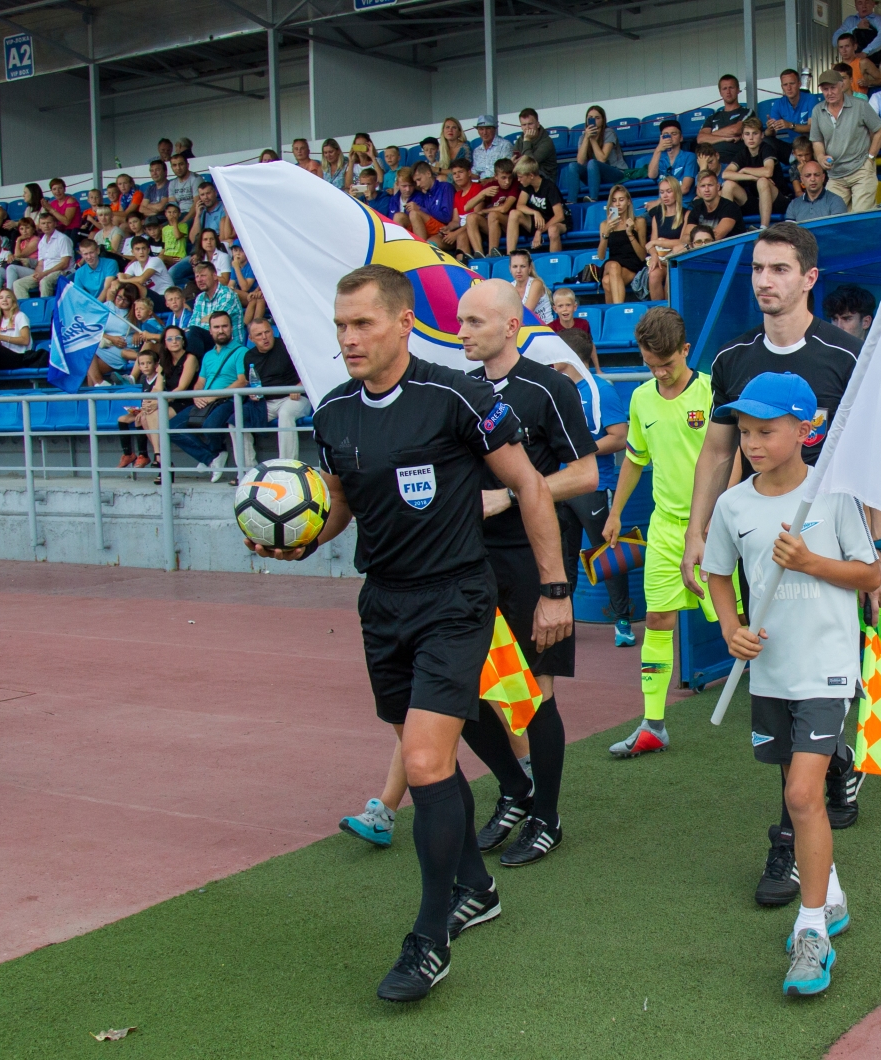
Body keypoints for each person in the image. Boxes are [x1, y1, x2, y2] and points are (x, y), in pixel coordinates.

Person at [254, 264, 569, 1002]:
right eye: (340, 326)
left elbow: (527, 484)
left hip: (457, 598)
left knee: (425, 763)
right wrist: (297, 538)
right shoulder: (331, 413)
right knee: (429, 759)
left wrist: (554, 589)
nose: (348, 338)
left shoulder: (456, 394)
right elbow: (339, 507)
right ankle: (475, 885)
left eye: (362, 323)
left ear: (401, 324)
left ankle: (429, 940)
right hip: (383, 605)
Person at [683, 224, 881, 904]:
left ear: (809, 278)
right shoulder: (732, 358)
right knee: (779, 664)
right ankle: (827, 779)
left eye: (778, 269)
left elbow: (869, 462)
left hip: (836, 543)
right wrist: (697, 534)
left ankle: (793, 837)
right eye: (757, 269)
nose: (764, 280)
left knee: (822, 671)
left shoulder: (845, 355)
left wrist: (877, 550)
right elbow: (715, 454)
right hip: (759, 537)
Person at [701, 371, 880, 998]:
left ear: (806, 431)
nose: (751, 442)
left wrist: (809, 562)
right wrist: (732, 630)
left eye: (766, 431)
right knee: (791, 788)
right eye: (745, 431)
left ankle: (811, 934)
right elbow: (717, 573)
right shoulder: (734, 505)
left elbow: (870, 573)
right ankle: (829, 896)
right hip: (769, 670)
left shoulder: (832, 499)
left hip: (829, 667)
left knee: (804, 794)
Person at [458, 279, 598, 865]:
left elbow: (587, 474)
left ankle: (547, 817)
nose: (461, 332)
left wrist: (513, 496)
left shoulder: (548, 387)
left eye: (474, 323)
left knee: (535, 688)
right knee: (465, 688)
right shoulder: (459, 391)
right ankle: (516, 790)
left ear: (511, 327)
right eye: (460, 322)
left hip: (535, 556)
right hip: (470, 557)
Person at [603, 307, 721, 759]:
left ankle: (787, 710)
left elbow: (730, 458)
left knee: (739, 628)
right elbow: (634, 458)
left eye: (667, 364)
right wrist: (615, 514)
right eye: (651, 365)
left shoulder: (711, 391)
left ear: (685, 351)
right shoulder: (641, 399)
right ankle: (654, 724)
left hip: (711, 530)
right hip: (665, 530)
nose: (659, 372)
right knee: (658, 620)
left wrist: (716, 519)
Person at [551, 326, 635, 646]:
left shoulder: (600, 389)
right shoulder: (554, 389)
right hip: (561, 485)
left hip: (595, 485)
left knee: (609, 552)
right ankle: (562, 620)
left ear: (567, 356)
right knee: (562, 556)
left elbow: (619, 437)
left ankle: (622, 621)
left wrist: (579, 451)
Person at [169, 311, 249, 479]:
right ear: (210, 331)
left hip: (227, 400)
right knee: (172, 427)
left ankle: (214, 454)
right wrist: (197, 395)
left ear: (231, 328)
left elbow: (242, 381)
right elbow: (200, 381)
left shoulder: (241, 351)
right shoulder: (208, 355)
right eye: (216, 327)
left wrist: (213, 396)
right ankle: (212, 457)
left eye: (224, 326)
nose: (221, 330)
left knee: (209, 426)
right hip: (206, 400)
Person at [809, 69, 881, 213]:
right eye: (825, 89)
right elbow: (817, 140)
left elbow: (880, 130)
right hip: (835, 175)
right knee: (829, 218)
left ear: (841, 85)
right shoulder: (817, 111)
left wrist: (870, 158)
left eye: (833, 88)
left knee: (859, 217)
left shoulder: (860, 105)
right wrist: (820, 157)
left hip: (861, 171)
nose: (829, 92)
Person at [243, 318, 311, 461]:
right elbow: (251, 383)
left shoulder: (287, 346)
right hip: (265, 403)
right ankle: (247, 468)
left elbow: (310, 370)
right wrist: (251, 393)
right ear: (250, 338)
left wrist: (298, 386)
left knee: (285, 413)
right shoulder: (249, 356)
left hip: (293, 398)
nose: (264, 337)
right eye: (259, 334)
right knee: (237, 419)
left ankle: (287, 465)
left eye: (267, 332)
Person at [720, 119, 790, 230]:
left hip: (778, 200)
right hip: (757, 201)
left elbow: (768, 171)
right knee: (728, 185)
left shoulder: (767, 148)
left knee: (762, 181)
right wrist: (752, 177)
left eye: (755, 133)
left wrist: (745, 170)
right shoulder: (743, 153)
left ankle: (763, 228)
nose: (751, 138)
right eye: (747, 134)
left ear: (762, 135)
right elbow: (725, 174)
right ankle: (728, 230)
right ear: (742, 137)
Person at [561, 105, 628, 203]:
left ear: (603, 120)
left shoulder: (609, 133)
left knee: (592, 163)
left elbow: (602, 159)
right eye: (590, 118)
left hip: (615, 172)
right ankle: (571, 201)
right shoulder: (583, 137)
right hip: (594, 175)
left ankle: (593, 199)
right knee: (573, 166)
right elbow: (580, 161)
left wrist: (592, 139)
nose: (593, 120)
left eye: (597, 118)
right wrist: (587, 138)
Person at [116, 348, 168, 467]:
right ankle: (128, 454)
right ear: (138, 366)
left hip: (156, 410)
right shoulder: (144, 378)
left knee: (140, 420)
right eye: (142, 364)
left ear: (156, 364)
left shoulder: (160, 378)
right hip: (145, 409)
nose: (145, 366)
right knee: (122, 419)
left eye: (149, 363)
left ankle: (143, 455)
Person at [597, 184, 647, 304]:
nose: (618, 204)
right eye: (614, 201)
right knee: (614, 266)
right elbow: (601, 256)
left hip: (631, 265)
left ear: (628, 202)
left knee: (606, 281)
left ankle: (613, 316)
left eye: (621, 200)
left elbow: (642, 256)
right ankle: (619, 309)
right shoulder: (605, 225)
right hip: (612, 263)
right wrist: (606, 233)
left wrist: (630, 233)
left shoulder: (639, 222)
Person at [506, 158, 567, 254]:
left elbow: (559, 216)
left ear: (531, 175)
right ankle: (510, 255)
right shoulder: (527, 186)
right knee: (514, 213)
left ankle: (554, 263)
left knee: (553, 230)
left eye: (521, 177)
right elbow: (520, 205)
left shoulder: (549, 187)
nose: (518, 180)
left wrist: (539, 232)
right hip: (539, 222)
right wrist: (535, 212)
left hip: (556, 222)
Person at [644, 175, 687, 302]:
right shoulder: (657, 217)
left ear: (676, 192)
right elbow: (650, 246)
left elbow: (683, 242)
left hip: (676, 258)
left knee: (671, 275)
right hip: (660, 258)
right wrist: (654, 256)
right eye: (662, 192)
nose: (665, 196)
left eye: (669, 191)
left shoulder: (686, 214)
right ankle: (658, 313)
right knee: (653, 274)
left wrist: (659, 241)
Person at [697, 74, 754, 169]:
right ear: (720, 92)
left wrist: (711, 135)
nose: (728, 92)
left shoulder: (746, 112)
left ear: (738, 90)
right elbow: (701, 139)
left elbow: (735, 130)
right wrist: (725, 138)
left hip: (735, 161)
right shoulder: (712, 117)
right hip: (712, 161)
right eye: (724, 88)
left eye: (731, 88)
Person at [12, 212, 72, 299]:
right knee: (18, 284)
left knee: (44, 281)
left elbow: (64, 263)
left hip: (62, 272)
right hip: (45, 272)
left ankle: (46, 309)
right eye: (43, 223)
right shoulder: (42, 242)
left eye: (49, 223)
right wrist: (38, 274)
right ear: (39, 226)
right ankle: (27, 309)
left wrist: (44, 274)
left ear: (55, 224)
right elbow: (40, 264)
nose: (46, 226)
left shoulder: (63, 239)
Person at [396, 161, 455, 243]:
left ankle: (421, 248)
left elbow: (446, 217)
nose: (418, 184)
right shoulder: (425, 194)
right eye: (416, 182)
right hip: (428, 229)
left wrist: (420, 208)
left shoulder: (445, 187)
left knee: (414, 213)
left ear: (428, 174)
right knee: (398, 216)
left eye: (419, 179)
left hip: (444, 230)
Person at [765, 70, 817, 159]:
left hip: (809, 146)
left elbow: (812, 128)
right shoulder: (778, 104)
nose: (789, 88)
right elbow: (771, 134)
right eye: (785, 85)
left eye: (792, 83)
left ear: (799, 84)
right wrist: (770, 128)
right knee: (765, 141)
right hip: (792, 147)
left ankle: (796, 161)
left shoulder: (810, 99)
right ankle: (790, 162)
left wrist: (790, 125)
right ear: (782, 87)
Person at [681, 172, 743, 244]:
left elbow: (717, 236)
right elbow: (684, 238)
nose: (706, 189)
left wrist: (696, 240)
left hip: (730, 251)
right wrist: (697, 240)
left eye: (710, 185)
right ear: (698, 190)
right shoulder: (696, 210)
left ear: (718, 187)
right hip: (706, 250)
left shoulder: (730, 207)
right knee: (677, 249)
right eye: (703, 186)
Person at [645, 119, 699, 200]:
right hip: (664, 206)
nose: (670, 137)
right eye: (666, 135)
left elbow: (685, 188)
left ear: (681, 138)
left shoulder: (689, 157)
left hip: (683, 203)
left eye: (674, 134)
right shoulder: (659, 159)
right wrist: (658, 150)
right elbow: (651, 175)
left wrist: (659, 202)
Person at [783, 159, 848, 223]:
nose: (812, 179)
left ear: (823, 177)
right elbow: (790, 233)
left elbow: (837, 231)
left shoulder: (836, 201)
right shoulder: (793, 205)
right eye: (808, 175)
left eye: (816, 175)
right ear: (802, 179)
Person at [511, 108, 559, 183]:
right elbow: (516, 159)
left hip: (545, 178)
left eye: (530, 124)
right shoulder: (520, 141)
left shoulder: (547, 141)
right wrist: (512, 164)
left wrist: (527, 140)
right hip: (525, 176)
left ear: (537, 124)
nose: (527, 128)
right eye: (524, 125)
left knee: (526, 175)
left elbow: (530, 165)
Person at [508, 249, 553, 322]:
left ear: (529, 268)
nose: (518, 271)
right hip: (525, 328)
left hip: (545, 328)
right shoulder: (510, 287)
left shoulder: (536, 284)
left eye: (522, 266)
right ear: (510, 269)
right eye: (515, 266)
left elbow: (526, 313)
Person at [71, 237, 121, 303]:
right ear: (81, 255)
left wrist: (96, 306)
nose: (89, 257)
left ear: (98, 251)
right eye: (85, 254)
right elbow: (79, 295)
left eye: (91, 252)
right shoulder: (79, 273)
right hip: (91, 305)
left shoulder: (110, 263)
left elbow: (107, 288)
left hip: (108, 303)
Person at [470, 117, 508, 187]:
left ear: (494, 129)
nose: (484, 132)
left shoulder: (505, 145)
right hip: (481, 186)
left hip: (499, 185)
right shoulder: (477, 151)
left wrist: (489, 181)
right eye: (481, 129)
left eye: (488, 128)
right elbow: (475, 173)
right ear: (478, 131)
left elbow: (507, 171)